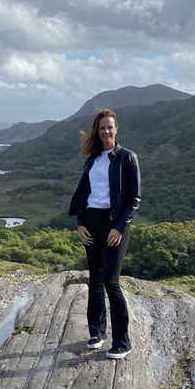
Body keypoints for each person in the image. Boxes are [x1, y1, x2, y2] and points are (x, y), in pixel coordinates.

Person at [68, 108, 141, 359]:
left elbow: (134, 198)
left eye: (110, 127)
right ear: (96, 132)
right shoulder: (93, 158)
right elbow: (84, 194)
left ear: (116, 129)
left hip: (115, 223)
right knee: (95, 281)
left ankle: (123, 341)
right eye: (102, 128)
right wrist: (80, 223)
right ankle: (96, 332)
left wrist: (120, 227)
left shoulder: (128, 158)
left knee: (111, 281)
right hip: (91, 221)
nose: (106, 131)